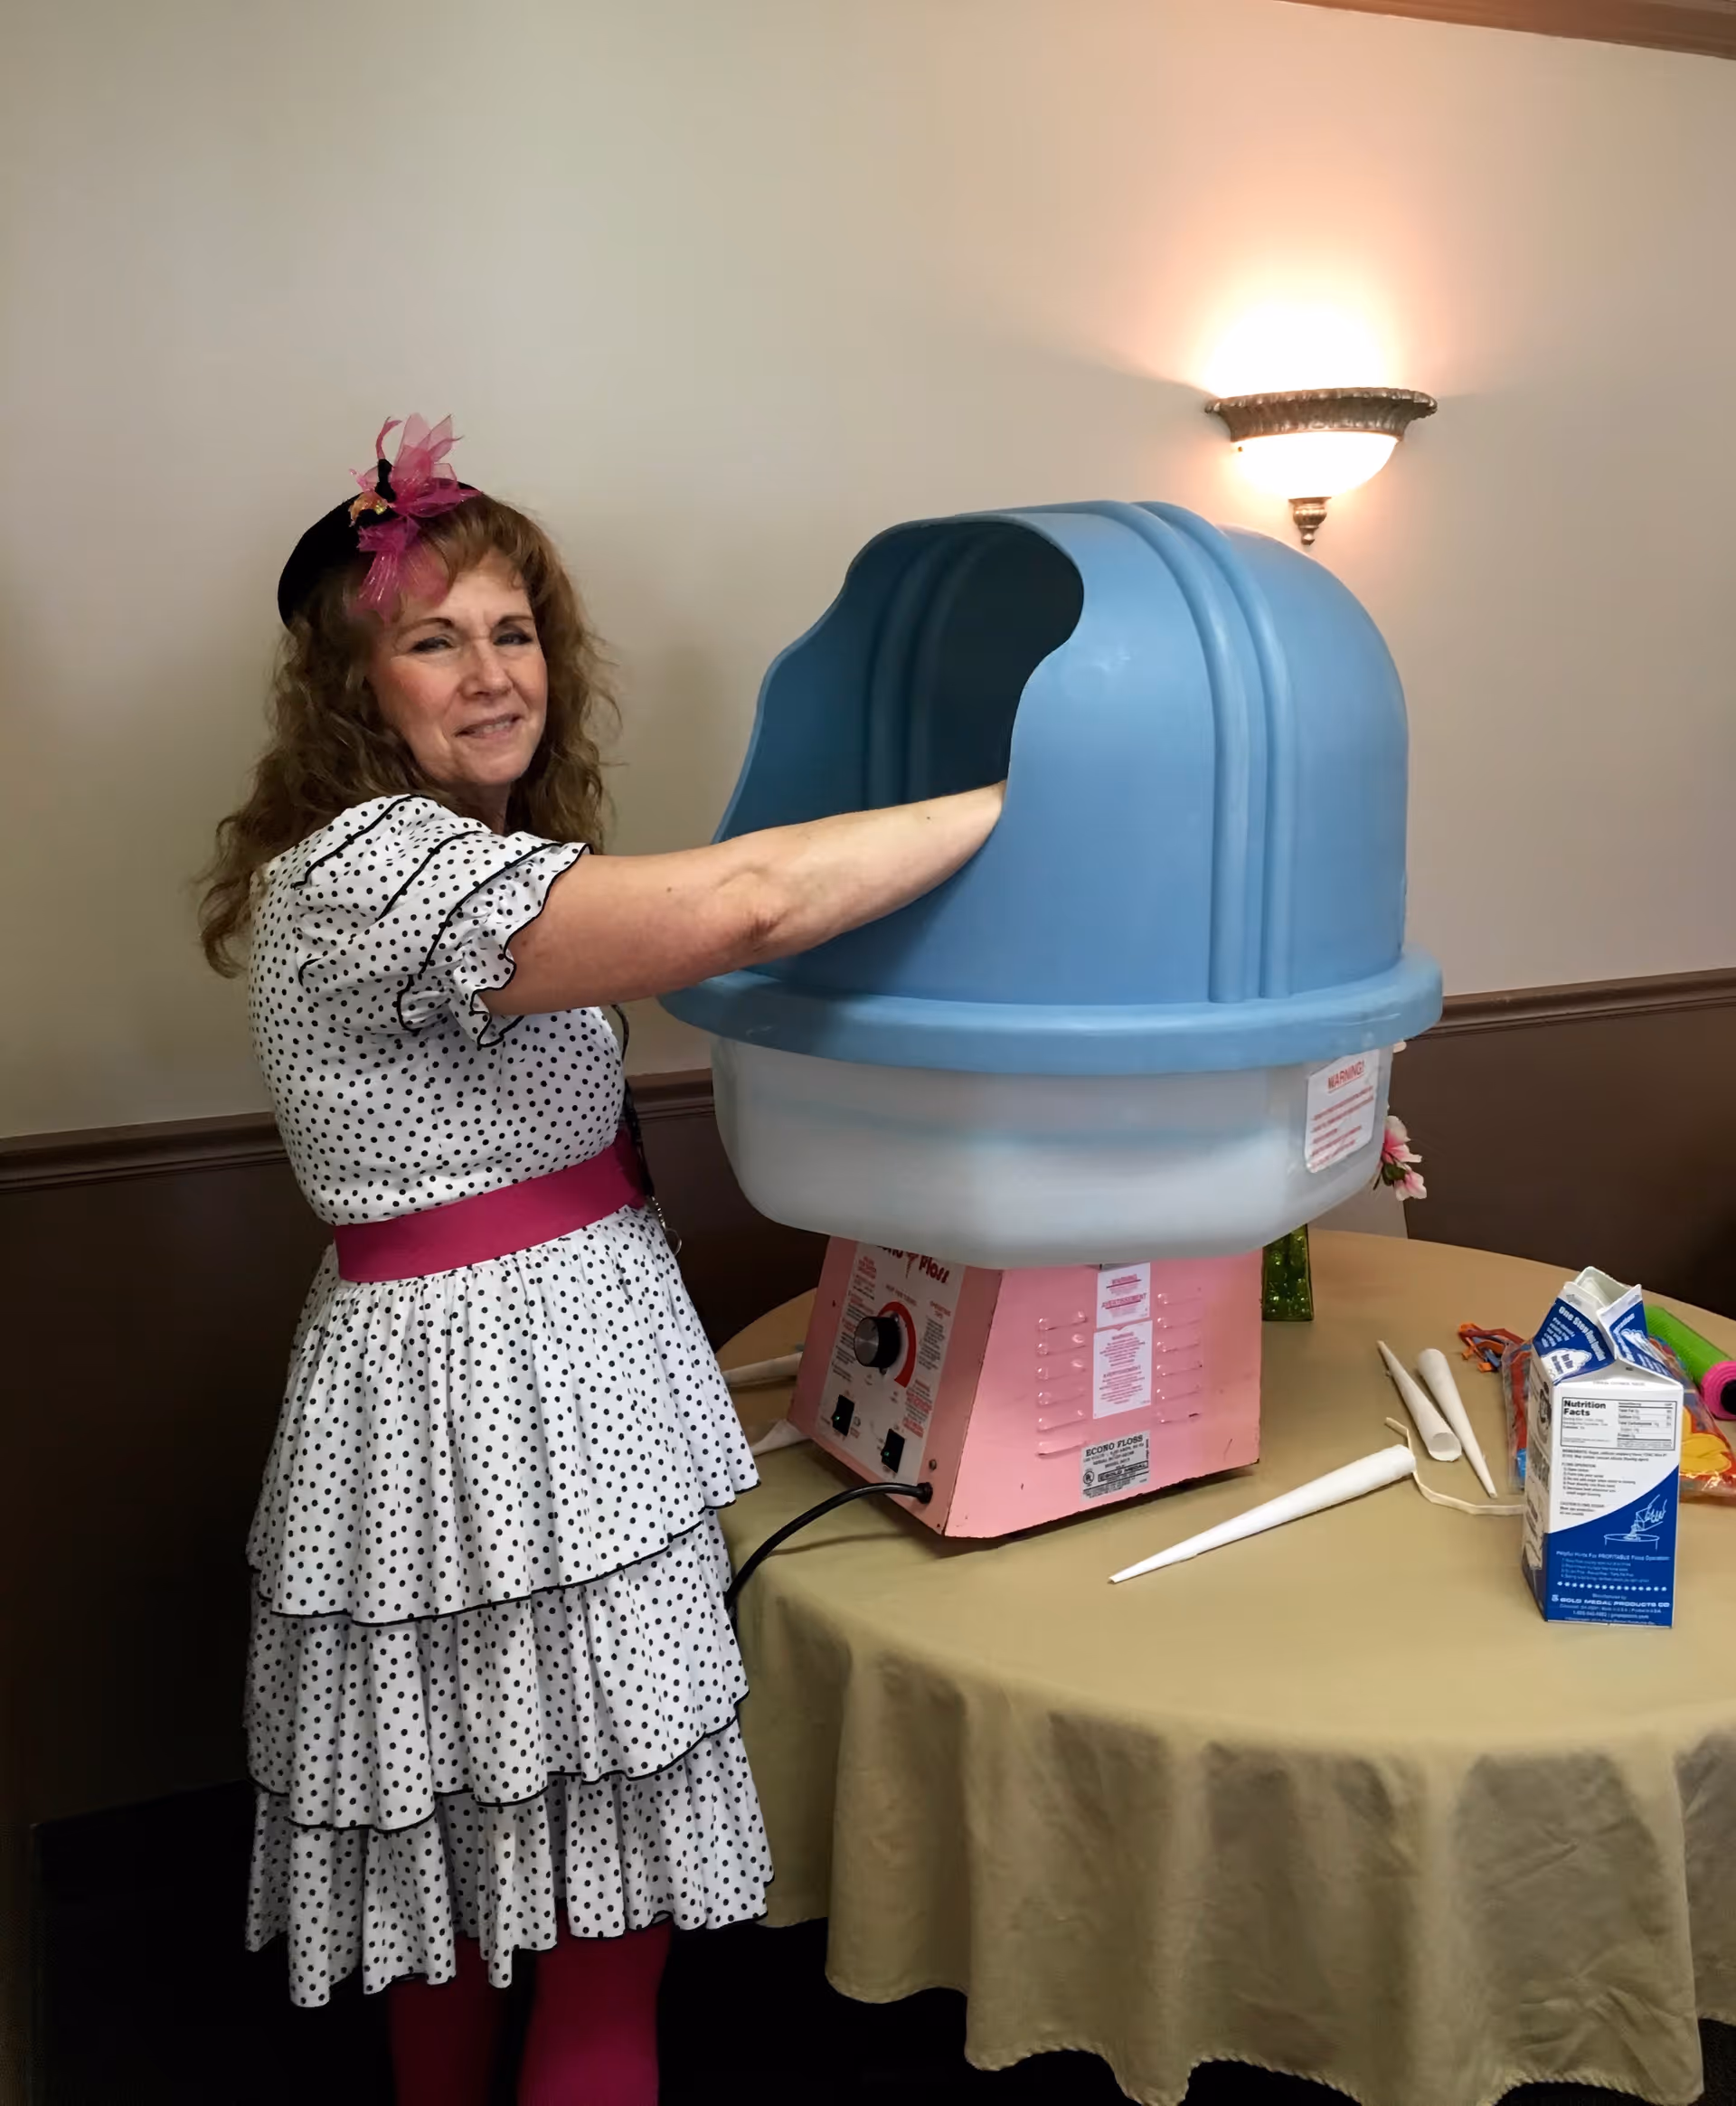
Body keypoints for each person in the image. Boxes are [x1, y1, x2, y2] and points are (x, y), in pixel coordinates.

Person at [197, 415, 1003, 2106]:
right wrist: (1026, 800)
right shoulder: (380, 870)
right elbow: (752, 905)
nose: (495, 674)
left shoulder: (439, 864)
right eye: (436, 641)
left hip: (494, 1385)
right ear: (353, 685)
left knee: (471, 1895)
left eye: (515, 631)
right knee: (586, 1924)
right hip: (503, 1416)